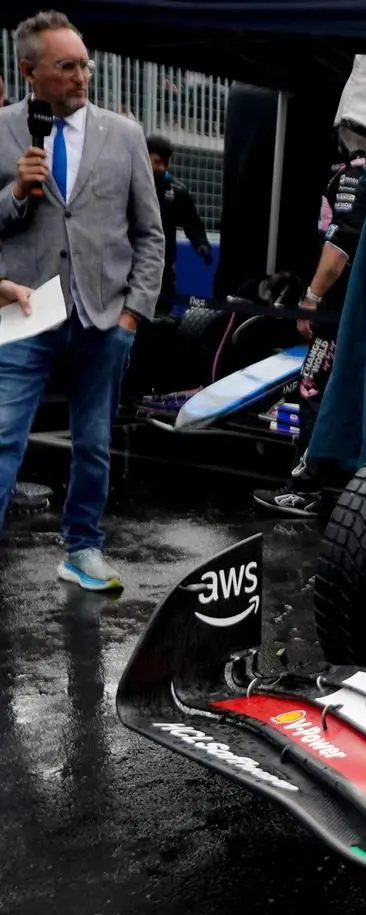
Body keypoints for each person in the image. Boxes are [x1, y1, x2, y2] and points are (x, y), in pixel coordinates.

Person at [0, 10, 164, 591]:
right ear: (29, 71)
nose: (80, 76)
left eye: (84, 64)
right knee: (3, 438)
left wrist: (131, 315)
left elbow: (149, 234)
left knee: (93, 443)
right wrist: (16, 192)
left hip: (103, 320)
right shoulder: (1, 132)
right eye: (65, 66)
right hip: (22, 316)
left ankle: (83, 547)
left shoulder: (125, 136)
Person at [251, 146, 366, 518]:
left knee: (311, 389)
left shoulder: (352, 179)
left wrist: (310, 299)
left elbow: (338, 250)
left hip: (339, 315)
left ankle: (305, 489)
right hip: (362, 314)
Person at [145, 134, 212, 316]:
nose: (161, 168)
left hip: (162, 268)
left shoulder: (177, 192)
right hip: (129, 266)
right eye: (157, 162)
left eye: (166, 163)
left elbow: (192, 224)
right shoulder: (128, 185)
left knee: (161, 316)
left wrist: (201, 245)